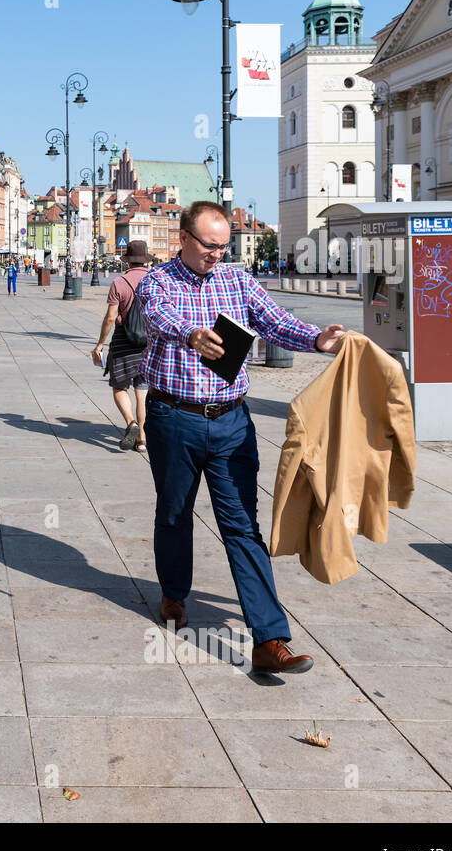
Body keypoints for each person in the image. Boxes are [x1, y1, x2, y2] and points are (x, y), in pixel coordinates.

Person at [137, 200, 346, 676]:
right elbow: (157, 315)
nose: (217, 255)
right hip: (174, 417)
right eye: (210, 246)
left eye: (223, 246)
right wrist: (192, 334)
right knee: (173, 513)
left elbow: (275, 320)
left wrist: (316, 339)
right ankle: (173, 592)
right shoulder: (159, 281)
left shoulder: (236, 281)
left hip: (232, 422)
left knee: (242, 527)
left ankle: (271, 639)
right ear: (184, 240)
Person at [91, 240, 152, 451]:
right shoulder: (155, 280)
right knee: (142, 390)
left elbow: (110, 317)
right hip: (149, 344)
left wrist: (100, 344)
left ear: (127, 261)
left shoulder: (120, 282)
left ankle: (131, 423)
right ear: (146, 260)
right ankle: (142, 440)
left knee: (119, 386)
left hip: (124, 341)